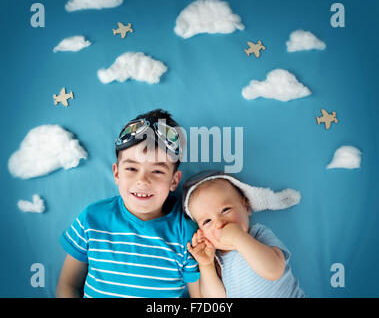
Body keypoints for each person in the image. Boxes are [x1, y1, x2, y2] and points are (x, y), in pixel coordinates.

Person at [56, 109, 201, 298]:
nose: (142, 180)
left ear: (174, 181)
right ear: (117, 174)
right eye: (132, 168)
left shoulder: (186, 236)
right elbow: (67, 285)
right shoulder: (92, 219)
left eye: (157, 171)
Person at [183, 170, 305, 298]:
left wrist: (238, 237)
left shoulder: (258, 235)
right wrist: (206, 266)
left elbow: (274, 271)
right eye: (207, 221)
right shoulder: (216, 260)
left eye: (225, 210)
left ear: (246, 207)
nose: (219, 223)